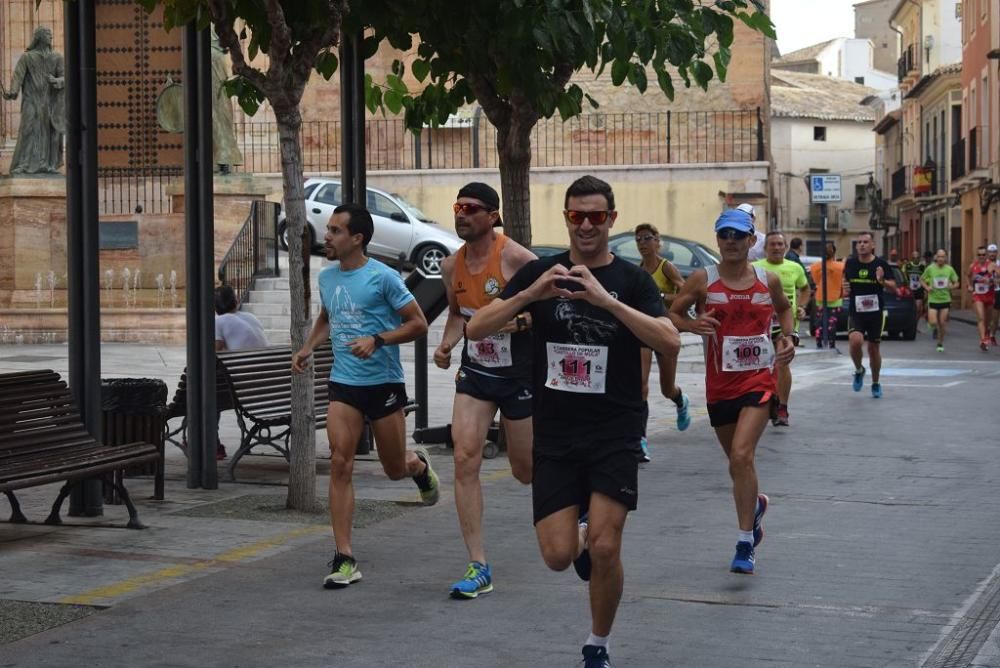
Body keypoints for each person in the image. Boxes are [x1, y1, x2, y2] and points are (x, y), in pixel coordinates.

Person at [467, 176, 680, 668]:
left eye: (596, 216)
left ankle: (597, 645)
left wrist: (605, 301)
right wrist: (531, 293)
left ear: (612, 220)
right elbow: (477, 328)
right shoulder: (543, 274)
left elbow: (669, 341)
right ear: (566, 218)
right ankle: (578, 535)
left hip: (615, 430)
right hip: (556, 434)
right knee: (558, 556)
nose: (586, 225)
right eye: (576, 216)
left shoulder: (631, 280)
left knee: (607, 546)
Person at [292, 203, 440, 590]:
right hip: (344, 384)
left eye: (336, 231)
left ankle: (417, 467)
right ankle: (344, 557)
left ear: (357, 239)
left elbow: (418, 324)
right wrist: (308, 346)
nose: (327, 235)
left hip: (384, 384)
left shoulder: (384, 278)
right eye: (328, 230)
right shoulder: (327, 277)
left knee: (393, 469)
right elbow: (328, 316)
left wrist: (378, 339)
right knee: (341, 462)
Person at [669, 209, 795, 575]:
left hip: (758, 380)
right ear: (718, 240)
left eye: (739, 236)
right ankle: (754, 506)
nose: (731, 242)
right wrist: (693, 324)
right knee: (736, 463)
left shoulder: (766, 280)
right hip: (719, 385)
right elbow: (674, 314)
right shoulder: (702, 280)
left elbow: (784, 311)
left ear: (751, 241)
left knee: (742, 455)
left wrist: (790, 338)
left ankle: (745, 541)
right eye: (724, 235)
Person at [433, 182, 537, 599]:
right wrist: (446, 344)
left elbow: (546, 309)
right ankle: (478, 564)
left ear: (493, 216)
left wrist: (521, 323)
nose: (462, 215)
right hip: (476, 372)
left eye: (472, 208)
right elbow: (460, 315)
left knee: (524, 471)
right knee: (464, 457)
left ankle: (576, 499)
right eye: (458, 207)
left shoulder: (517, 258)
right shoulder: (449, 266)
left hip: (519, 376)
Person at [633, 223, 691, 461]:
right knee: (641, 386)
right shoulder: (637, 270)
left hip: (665, 330)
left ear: (657, 241)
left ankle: (680, 399)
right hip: (645, 331)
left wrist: (662, 297)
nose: (643, 243)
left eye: (647, 238)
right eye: (638, 239)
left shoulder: (666, 268)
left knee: (667, 388)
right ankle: (641, 440)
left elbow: (686, 292)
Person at [753, 232, 809, 426]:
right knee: (763, 366)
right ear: (765, 248)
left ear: (785, 247)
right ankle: (769, 398)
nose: (776, 248)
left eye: (780, 244)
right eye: (772, 244)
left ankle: (782, 406)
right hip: (759, 325)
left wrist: (802, 306)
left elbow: (805, 288)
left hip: (785, 324)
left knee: (782, 363)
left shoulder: (795, 267)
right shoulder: (755, 267)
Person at [212, 285, 268, 460]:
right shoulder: (250, 317)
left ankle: (213, 444)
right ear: (235, 302)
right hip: (268, 388)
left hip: (242, 391)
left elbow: (214, 355)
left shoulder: (218, 322)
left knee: (209, 394)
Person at [2, 27, 64, 175]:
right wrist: (12, 92)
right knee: (27, 129)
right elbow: (18, 77)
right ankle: (23, 164)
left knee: (48, 131)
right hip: (31, 100)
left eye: (51, 34)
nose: (50, 36)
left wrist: (57, 80)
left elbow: (64, 76)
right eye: (47, 34)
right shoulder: (27, 57)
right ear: (39, 37)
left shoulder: (57, 57)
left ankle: (48, 164)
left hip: (49, 101)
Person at [843, 231, 896, 398]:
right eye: (859, 242)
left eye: (865, 242)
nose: (862, 245)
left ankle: (875, 382)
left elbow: (893, 287)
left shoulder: (881, 264)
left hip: (876, 313)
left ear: (873, 245)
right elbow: (845, 283)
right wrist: (844, 288)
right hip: (856, 311)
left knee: (873, 349)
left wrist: (882, 280)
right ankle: (859, 369)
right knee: (855, 341)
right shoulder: (851, 263)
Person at [920, 250, 959, 352]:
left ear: (945, 258)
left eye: (943, 257)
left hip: (945, 300)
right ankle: (932, 325)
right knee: (933, 322)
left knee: (942, 323)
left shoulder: (949, 269)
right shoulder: (930, 268)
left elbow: (957, 283)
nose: (941, 259)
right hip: (933, 299)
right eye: (939, 256)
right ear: (936, 257)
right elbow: (922, 279)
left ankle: (940, 343)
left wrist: (952, 286)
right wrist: (927, 288)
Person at [808, 241, 845, 348]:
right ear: (834, 253)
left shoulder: (814, 267)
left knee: (820, 323)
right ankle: (832, 344)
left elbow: (815, 281)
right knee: (832, 323)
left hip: (820, 298)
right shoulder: (841, 266)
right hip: (836, 298)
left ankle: (819, 344)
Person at [214, 285, 268, 352]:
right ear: (236, 300)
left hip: (245, 361)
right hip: (265, 360)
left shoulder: (218, 321)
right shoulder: (250, 316)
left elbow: (215, 353)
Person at [967, 246, 997, 352]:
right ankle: (983, 340)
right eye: (979, 255)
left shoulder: (992, 265)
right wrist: (969, 286)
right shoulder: (973, 266)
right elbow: (968, 276)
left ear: (986, 255)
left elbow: (998, 278)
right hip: (977, 295)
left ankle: (987, 331)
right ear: (977, 255)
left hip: (989, 295)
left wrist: (992, 281)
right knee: (981, 317)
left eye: (983, 255)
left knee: (988, 320)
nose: (981, 257)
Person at [900, 250, 927, 332]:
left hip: (919, 289)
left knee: (919, 309)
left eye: (917, 257)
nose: (915, 259)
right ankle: (909, 324)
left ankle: (915, 325)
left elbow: (926, 277)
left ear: (919, 258)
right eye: (914, 257)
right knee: (910, 308)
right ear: (911, 258)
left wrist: (925, 288)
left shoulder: (922, 267)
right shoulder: (907, 266)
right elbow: (903, 275)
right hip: (910, 289)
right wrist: (905, 284)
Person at [989, 244, 1000, 346]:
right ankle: (990, 334)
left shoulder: (999, 264)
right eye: (990, 252)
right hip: (989, 292)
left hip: (998, 291)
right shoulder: (985, 265)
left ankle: (992, 334)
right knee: (993, 317)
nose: (992, 254)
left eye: (994, 252)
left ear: (997, 253)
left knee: (996, 318)